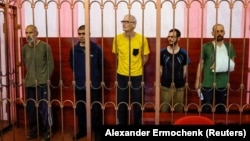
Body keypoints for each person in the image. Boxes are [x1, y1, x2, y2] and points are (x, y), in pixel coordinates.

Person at [112, 14, 150, 125]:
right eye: (123, 21)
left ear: (133, 24)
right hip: (121, 75)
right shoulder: (117, 38)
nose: (123, 23)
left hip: (137, 75)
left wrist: (136, 65)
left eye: (127, 21)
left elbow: (145, 56)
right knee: (121, 102)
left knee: (137, 102)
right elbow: (117, 55)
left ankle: (138, 124)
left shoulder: (142, 39)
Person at [69, 25, 103, 140]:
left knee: (96, 109)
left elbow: (100, 66)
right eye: (80, 34)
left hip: (94, 84)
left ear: (89, 34)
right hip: (80, 84)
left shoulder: (96, 49)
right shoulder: (74, 50)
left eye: (84, 33)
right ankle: (82, 130)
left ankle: (97, 131)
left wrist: (96, 78)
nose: (81, 36)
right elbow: (72, 65)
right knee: (80, 109)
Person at [22, 24, 54, 141]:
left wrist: (44, 79)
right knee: (31, 109)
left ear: (36, 34)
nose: (28, 35)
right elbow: (26, 64)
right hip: (29, 84)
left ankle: (47, 131)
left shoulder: (45, 47)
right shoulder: (25, 48)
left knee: (44, 108)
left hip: (42, 83)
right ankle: (35, 130)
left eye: (30, 32)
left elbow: (51, 65)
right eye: (26, 33)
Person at [195, 24, 236, 113]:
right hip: (208, 82)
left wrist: (220, 65)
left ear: (224, 32)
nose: (219, 33)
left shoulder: (229, 46)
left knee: (220, 108)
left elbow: (231, 65)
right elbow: (201, 64)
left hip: (223, 83)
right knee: (206, 108)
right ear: (212, 33)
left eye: (221, 31)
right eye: (217, 31)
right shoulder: (206, 46)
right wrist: (197, 81)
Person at [160, 28, 190, 113]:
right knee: (164, 110)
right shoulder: (162, 52)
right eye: (169, 36)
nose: (170, 38)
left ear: (178, 38)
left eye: (172, 37)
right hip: (165, 86)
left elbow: (185, 70)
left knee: (178, 110)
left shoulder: (184, 53)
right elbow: (160, 69)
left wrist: (179, 80)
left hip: (180, 87)